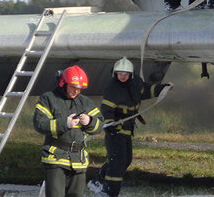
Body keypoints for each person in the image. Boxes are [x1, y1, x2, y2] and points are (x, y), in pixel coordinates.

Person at [87, 57, 172, 197]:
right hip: (115, 130)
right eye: (119, 73)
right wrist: (110, 123)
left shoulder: (135, 83)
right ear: (115, 74)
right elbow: (106, 110)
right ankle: (109, 192)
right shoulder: (112, 88)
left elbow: (145, 90)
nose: (122, 76)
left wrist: (162, 88)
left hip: (127, 129)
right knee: (117, 163)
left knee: (126, 160)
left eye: (125, 74)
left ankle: (98, 181)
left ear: (131, 74)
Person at [33, 65, 102, 197]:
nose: (76, 91)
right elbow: (39, 123)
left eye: (79, 89)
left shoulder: (85, 102)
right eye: (73, 87)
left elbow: (100, 124)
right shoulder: (49, 99)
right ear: (63, 83)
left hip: (78, 161)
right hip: (56, 158)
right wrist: (64, 123)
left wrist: (89, 121)